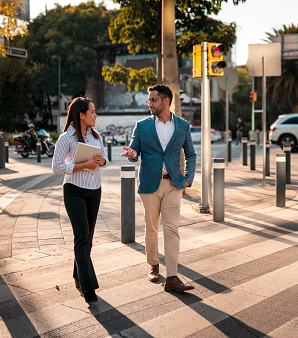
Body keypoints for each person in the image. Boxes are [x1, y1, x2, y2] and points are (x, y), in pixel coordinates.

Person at [121, 84, 196, 293]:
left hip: (173, 184)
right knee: (151, 228)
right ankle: (153, 264)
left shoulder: (182, 126)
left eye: (153, 100)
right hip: (149, 184)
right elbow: (135, 149)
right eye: (149, 100)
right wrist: (132, 154)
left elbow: (190, 154)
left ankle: (172, 277)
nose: (149, 104)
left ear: (166, 101)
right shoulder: (142, 126)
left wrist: (188, 179)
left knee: (172, 230)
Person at [52, 97, 108, 304]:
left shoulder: (96, 136)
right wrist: (82, 165)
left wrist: (101, 161)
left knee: (88, 238)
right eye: (92, 112)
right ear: (81, 115)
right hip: (74, 190)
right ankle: (89, 287)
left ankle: (78, 275)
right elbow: (56, 166)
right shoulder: (66, 138)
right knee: (82, 237)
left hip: (95, 190)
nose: (95, 115)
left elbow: (103, 159)